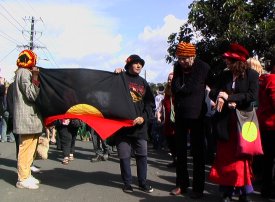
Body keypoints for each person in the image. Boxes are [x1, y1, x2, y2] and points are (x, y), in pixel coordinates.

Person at [208, 43, 259, 202]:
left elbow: (252, 95)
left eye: (229, 60)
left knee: (242, 156)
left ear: (238, 61)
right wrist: (220, 96)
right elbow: (214, 92)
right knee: (225, 157)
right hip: (225, 121)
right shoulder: (224, 75)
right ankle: (227, 192)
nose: (226, 62)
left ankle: (244, 192)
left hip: (244, 121)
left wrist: (230, 98)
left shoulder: (252, 75)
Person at [170, 42, 210, 199]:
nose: (182, 61)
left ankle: (198, 188)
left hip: (197, 115)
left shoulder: (203, 68)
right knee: (180, 152)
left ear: (193, 56)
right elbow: (174, 87)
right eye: (180, 58)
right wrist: (178, 88)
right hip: (180, 114)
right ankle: (181, 184)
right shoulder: (177, 67)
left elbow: (194, 88)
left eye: (185, 58)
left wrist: (217, 96)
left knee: (198, 154)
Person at [114, 54, 155, 193]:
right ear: (128, 65)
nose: (139, 66)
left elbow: (150, 104)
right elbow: (109, 92)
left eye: (141, 64)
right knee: (124, 156)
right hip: (123, 127)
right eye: (136, 63)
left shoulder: (144, 83)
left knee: (142, 155)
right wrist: (115, 75)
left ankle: (143, 183)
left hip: (140, 127)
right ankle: (127, 183)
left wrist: (143, 118)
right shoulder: (120, 78)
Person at [13, 49, 43, 189]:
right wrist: (36, 77)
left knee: (30, 148)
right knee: (26, 148)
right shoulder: (24, 72)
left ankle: (26, 174)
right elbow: (31, 94)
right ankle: (22, 178)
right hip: (27, 117)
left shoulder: (20, 72)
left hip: (29, 118)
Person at [257, 55, 275, 199]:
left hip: (266, 125)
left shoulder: (266, 80)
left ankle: (266, 189)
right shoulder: (273, 80)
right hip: (272, 125)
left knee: (268, 160)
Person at [156, 72, 177, 167]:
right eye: (168, 79)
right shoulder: (167, 92)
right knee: (171, 143)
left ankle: (179, 161)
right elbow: (163, 104)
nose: (169, 81)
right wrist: (159, 114)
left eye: (171, 79)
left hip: (177, 122)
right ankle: (175, 160)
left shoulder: (179, 90)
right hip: (168, 122)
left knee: (177, 142)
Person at [152, 85, 165, 150]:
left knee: (155, 131)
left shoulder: (157, 97)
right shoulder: (164, 97)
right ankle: (161, 144)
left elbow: (156, 107)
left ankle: (156, 145)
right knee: (161, 131)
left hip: (157, 114)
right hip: (163, 115)